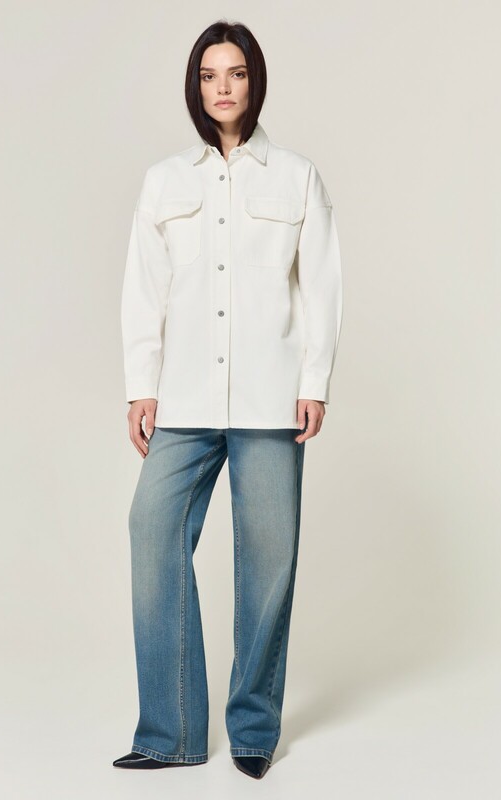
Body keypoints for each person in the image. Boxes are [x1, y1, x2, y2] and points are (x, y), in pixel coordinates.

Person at [113, 19, 343, 780]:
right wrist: (141, 386)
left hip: (272, 399)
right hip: (183, 396)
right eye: (210, 75)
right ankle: (170, 732)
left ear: (254, 81)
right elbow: (144, 291)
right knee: (152, 529)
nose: (223, 87)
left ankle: (252, 731)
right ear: (195, 86)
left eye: (236, 73)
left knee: (268, 563)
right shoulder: (165, 181)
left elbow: (322, 286)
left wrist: (314, 383)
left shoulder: (297, 177)